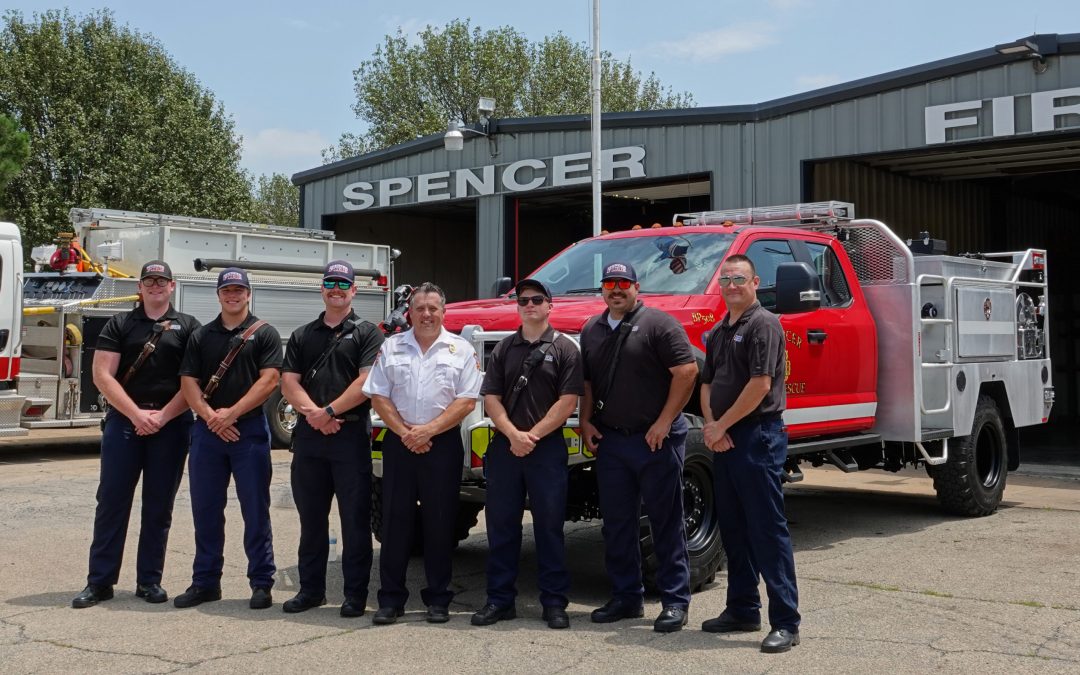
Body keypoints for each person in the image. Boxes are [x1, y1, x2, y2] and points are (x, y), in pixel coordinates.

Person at [72, 261, 200, 608]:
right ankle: (99, 582)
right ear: (140, 287)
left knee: (159, 506)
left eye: (162, 281)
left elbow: (193, 382)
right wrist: (137, 415)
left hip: (171, 425)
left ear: (172, 286)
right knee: (112, 503)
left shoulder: (189, 327)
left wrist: (162, 416)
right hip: (125, 423)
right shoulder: (119, 323)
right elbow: (102, 375)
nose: (156, 286)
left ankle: (149, 582)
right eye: (149, 281)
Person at [578, 262, 699, 632]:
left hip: (655, 440)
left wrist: (663, 423)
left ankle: (675, 601)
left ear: (636, 287)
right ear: (602, 289)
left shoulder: (660, 324)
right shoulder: (591, 329)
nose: (616, 289)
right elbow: (587, 382)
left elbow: (687, 371)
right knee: (616, 525)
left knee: (665, 522)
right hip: (612, 441)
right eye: (609, 283)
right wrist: (585, 421)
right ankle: (627, 597)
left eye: (623, 283)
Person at [362, 282, 481, 625]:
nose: (426, 314)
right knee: (394, 522)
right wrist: (406, 432)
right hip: (400, 442)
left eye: (433, 308)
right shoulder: (391, 347)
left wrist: (428, 431)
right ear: (409, 312)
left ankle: (439, 599)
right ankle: (391, 599)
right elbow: (378, 395)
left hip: (441, 445)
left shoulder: (460, 349)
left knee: (440, 522)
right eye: (420, 308)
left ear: (444, 312)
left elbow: (465, 401)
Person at [699, 254, 801, 654]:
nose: (731, 285)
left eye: (738, 278)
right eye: (725, 279)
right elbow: (706, 384)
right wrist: (712, 426)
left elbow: (760, 385)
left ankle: (787, 622)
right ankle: (742, 608)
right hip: (723, 438)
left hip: (757, 437)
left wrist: (721, 426)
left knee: (766, 530)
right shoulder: (720, 330)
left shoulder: (764, 324)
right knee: (734, 528)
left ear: (755, 281)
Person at [471, 279, 583, 630]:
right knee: (501, 527)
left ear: (551, 305)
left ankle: (554, 603)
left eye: (537, 299)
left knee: (549, 527)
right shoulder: (504, 348)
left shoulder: (566, 349)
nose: (529, 305)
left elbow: (568, 401)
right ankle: (500, 600)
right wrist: (513, 435)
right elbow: (491, 398)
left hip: (546, 448)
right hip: (505, 446)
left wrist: (531, 436)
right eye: (523, 300)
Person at [280, 260, 384, 617]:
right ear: (322, 289)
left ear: (354, 290)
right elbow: (288, 382)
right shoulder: (302, 334)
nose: (336, 289)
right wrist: (314, 414)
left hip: (349, 437)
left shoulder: (368, 333)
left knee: (354, 522)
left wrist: (329, 412)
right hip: (310, 440)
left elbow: (366, 381)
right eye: (330, 283)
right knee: (312, 522)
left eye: (343, 283)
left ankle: (355, 595)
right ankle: (311, 591)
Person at [175, 267, 282, 610]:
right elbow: (188, 382)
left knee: (256, 509)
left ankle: (262, 583)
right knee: (205, 510)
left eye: (239, 290)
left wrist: (231, 414)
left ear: (249, 294)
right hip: (208, 433)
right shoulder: (201, 335)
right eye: (227, 290)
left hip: (248, 430)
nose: (233, 295)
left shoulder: (264, 333)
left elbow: (269, 381)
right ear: (218, 295)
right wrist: (211, 417)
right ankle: (205, 582)